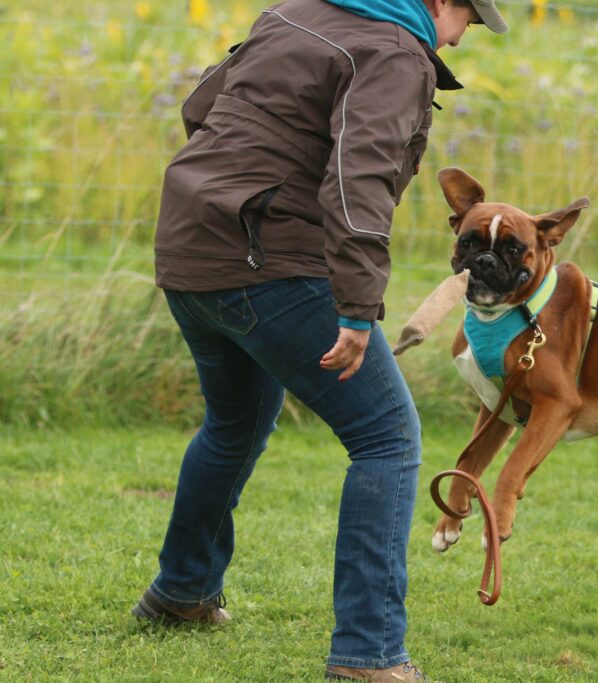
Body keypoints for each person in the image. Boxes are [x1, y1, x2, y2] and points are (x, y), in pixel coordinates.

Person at [132, 0, 507, 680]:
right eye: (469, 22)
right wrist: (359, 307)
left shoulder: (293, 13)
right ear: (443, 1)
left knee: (235, 420)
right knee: (386, 436)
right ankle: (369, 654)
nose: (460, 38)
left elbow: (200, 107)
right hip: (267, 263)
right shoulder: (395, 50)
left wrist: (228, 195)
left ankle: (181, 592)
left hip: (191, 245)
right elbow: (356, 176)